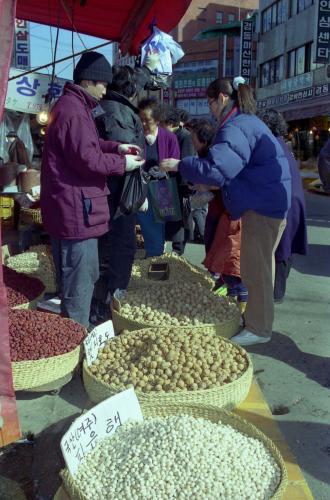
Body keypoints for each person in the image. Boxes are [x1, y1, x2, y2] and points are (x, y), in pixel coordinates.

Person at [160, 76, 291, 346]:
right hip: (268, 203)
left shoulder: (236, 126)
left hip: (262, 207)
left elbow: (219, 169)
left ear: (221, 98)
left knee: (255, 271)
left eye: (210, 103)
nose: (209, 109)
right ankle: (258, 321)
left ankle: (258, 328)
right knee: (260, 269)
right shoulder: (245, 122)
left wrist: (179, 164)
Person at [41, 51, 144, 327]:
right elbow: (88, 160)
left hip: (74, 209)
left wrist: (117, 147)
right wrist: (123, 163)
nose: (105, 90)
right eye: (103, 84)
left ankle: (73, 338)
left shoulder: (75, 107)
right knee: (79, 287)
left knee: (79, 282)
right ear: (89, 81)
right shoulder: (73, 111)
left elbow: (90, 145)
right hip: (76, 213)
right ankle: (75, 354)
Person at [96, 65, 150, 305]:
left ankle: (108, 295)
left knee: (113, 245)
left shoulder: (110, 107)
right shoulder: (117, 110)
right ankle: (112, 298)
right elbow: (129, 153)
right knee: (121, 245)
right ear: (132, 89)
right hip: (117, 194)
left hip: (112, 191)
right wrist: (141, 192)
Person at [189, 119, 247, 310]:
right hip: (218, 212)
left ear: (203, 140)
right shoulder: (206, 154)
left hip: (229, 216)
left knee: (230, 258)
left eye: (194, 138)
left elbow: (225, 181)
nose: (192, 142)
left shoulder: (218, 156)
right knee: (217, 252)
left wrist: (205, 186)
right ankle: (226, 289)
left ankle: (237, 303)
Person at [258, 109, 308, 302]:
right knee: (285, 247)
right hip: (294, 200)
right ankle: (277, 292)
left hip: (283, 202)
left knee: (279, 249)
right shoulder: (282, 144)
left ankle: (275, 294)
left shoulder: (270, 145)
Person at [137, 98, 180, 257]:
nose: (143, 124)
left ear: (157, 119)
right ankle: (154, 257)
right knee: (149, 226)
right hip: (143, 186)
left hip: (163, 187)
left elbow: (176, 162)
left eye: (147, 120)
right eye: (141, 119)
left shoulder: (169, 137)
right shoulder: (137, 136)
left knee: (161, 227)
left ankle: (157, 256)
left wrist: (165, 168)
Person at [162, 106, 195, 254]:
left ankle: (178, 250)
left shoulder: (185, 136)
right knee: (170, 218)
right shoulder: (167, 136)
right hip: (168, 184)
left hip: (180, 186)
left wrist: (186, 187)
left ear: (169, 123)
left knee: (180, 220)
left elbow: (187, 162)